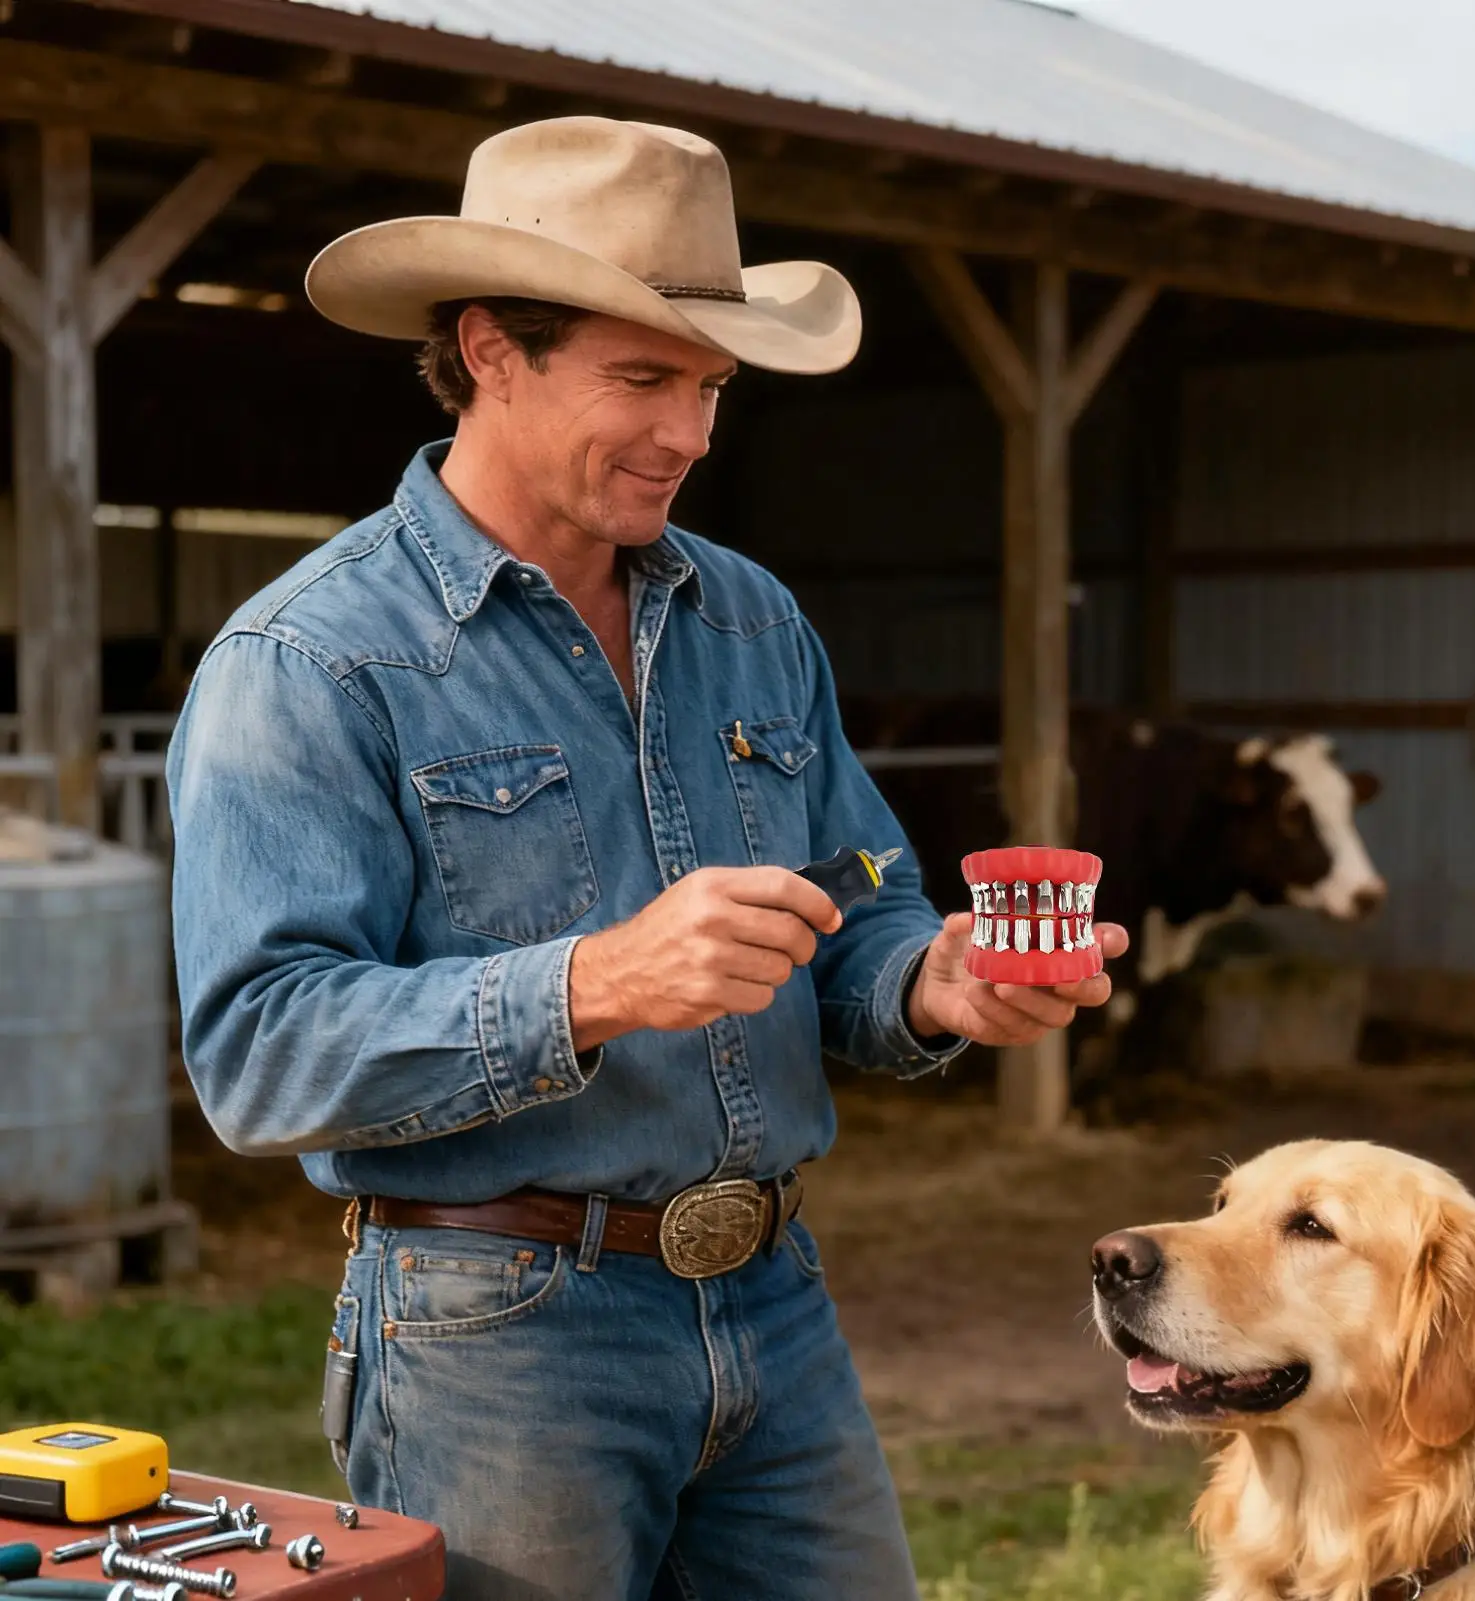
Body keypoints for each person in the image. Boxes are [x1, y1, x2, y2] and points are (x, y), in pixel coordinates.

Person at [165, 116, 1129, 1601]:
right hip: (499, 1336)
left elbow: (862, 900)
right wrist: (597, 984)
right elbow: (258, 1055)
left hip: (776, 1303)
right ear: (491, 350)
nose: (690, 432)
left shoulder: (751, 620)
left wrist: (937, 982)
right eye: (644, 378)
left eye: (711, 386)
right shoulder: (312, 659)